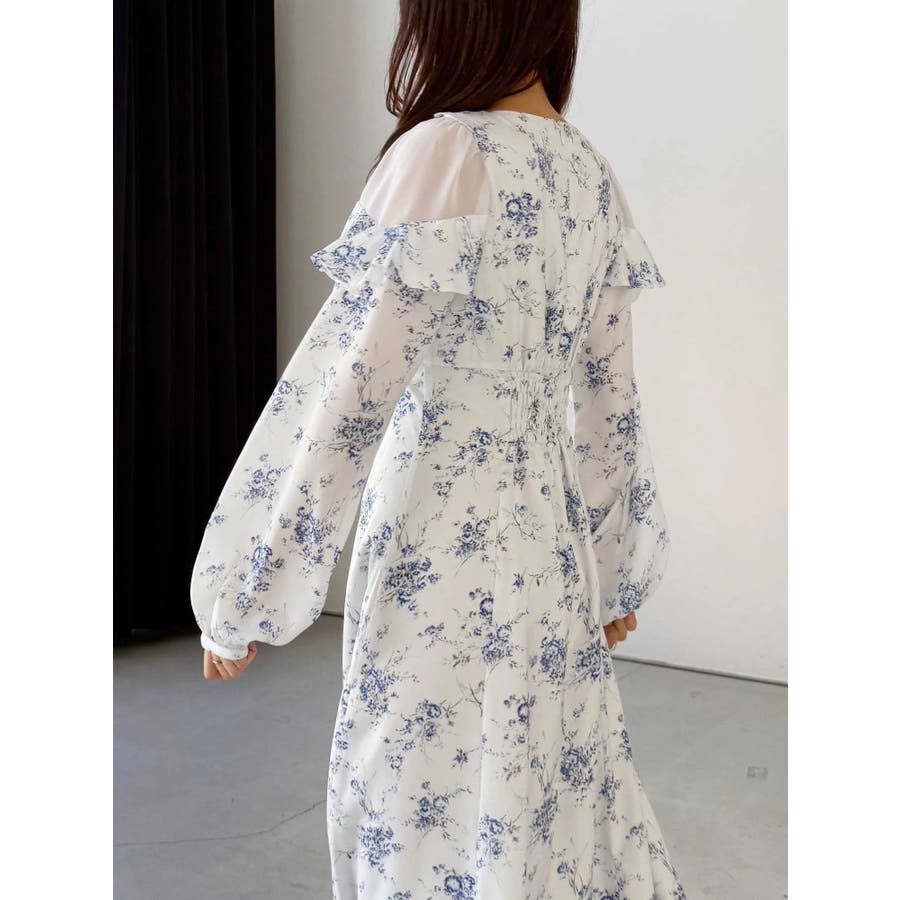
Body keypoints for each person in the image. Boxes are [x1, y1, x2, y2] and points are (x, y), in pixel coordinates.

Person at [190, 1, 685, 895]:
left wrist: (248, 589)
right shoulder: (590, 172)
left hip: (437, 545)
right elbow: (611, 404)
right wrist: (615, 572)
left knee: (421, 799)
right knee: (546, 800)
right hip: (549, 551)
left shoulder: (445, 154)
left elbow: (345, 402)